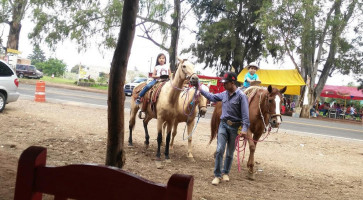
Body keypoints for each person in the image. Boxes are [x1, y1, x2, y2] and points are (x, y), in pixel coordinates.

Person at [199, 72, 250, 185]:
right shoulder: (224, 94)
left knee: (230, 153)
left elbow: (246, 115)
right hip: (223, 124)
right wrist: (200, 88)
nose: (224, 85)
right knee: (219, 150)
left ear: (232, 83)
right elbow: (211, 97)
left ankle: (225, 172)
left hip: (235, 127)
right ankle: (217, 175)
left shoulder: (242, 97)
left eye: (225, 83)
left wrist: (245, 129)